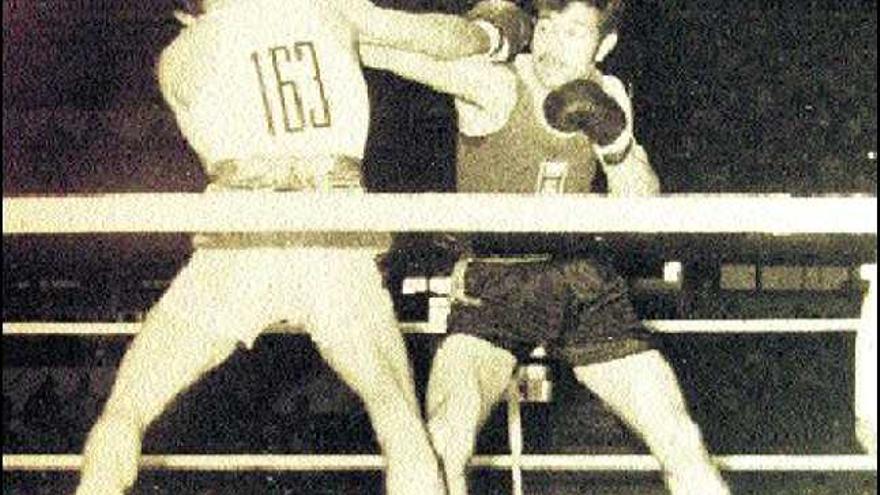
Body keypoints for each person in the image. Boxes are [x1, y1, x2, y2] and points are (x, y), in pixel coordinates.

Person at [74, 1, 531, 494]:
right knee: (398, 419)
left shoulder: (181, 54)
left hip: (238, 240)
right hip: (330, 231)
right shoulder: (323, 6)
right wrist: (497, 31)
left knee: (126, 412)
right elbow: (442, 40)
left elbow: (219, 96)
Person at [363, 1, 731, 493]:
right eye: (546, 26)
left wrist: (615, 141)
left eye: (574, 32)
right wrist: (335, 20)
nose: (552, 46)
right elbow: (395, 51)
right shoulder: (495, 84)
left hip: (581, 280)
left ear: (605, 46)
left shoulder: (609, 92)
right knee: (446, 436)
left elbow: (641, 205)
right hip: (496, 282)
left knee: (679, 436)